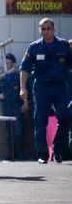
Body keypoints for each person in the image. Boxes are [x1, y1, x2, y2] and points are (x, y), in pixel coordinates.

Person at [19, 17, 72, 164]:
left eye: (49, 28)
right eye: (43, 29)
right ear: (39, 30)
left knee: (66, 117)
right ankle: (42, 154)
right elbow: (24, 69)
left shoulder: (64, 45)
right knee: (40, 121)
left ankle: (57, 150)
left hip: (60, 87)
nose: (46, 31)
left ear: (54, 30)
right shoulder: (34, 47)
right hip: (41, 87)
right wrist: (23, 88)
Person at [0, 53, 26, 160]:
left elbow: (26, 90)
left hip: (17, 107)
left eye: (8, 63)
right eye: (5, 63)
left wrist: (26, 103)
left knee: (18, 132)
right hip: (6, 107)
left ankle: (20, 155)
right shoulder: (1, 77)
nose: (6, 65)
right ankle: (11, 155)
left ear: (13, 63)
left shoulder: (18, 76)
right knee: (8, 133)